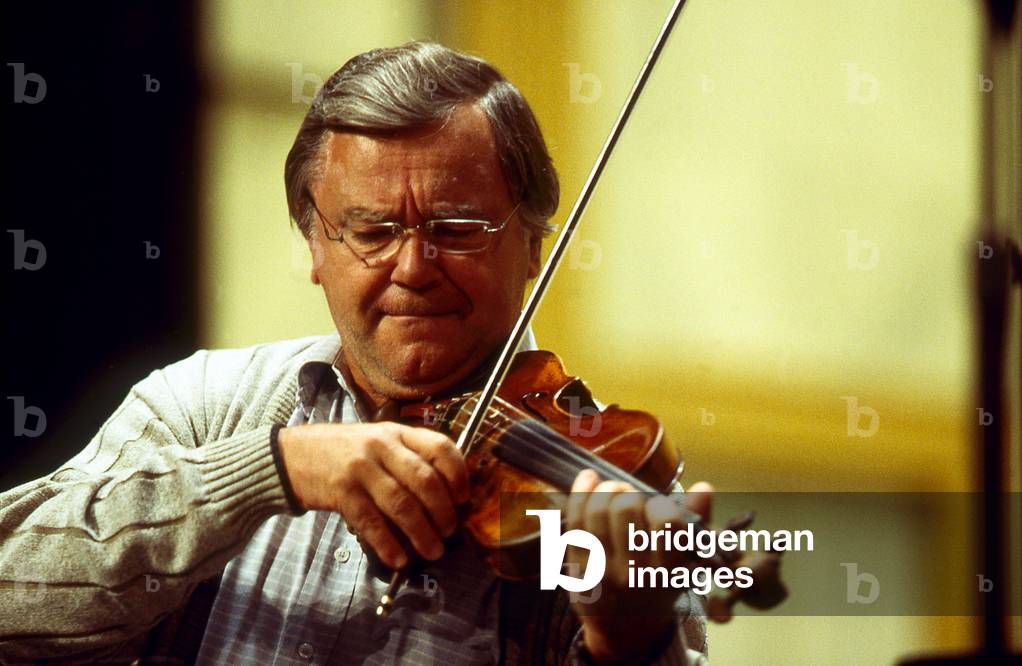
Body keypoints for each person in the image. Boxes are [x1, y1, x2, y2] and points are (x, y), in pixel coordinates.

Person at [0, 42, 711, 665]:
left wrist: (627, 644)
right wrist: (273, 468)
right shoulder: (204, 404)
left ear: (532, 245)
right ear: (314, 244)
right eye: (370, 232)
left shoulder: (608, 487)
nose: (413, 266)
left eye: (457, 228)